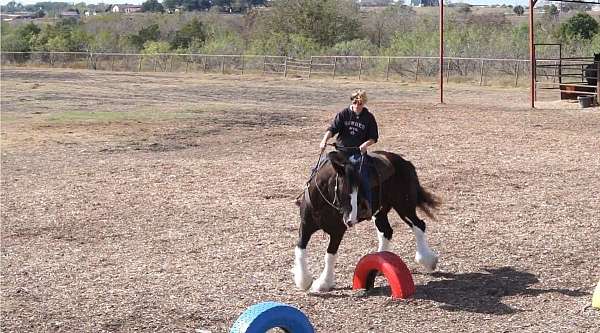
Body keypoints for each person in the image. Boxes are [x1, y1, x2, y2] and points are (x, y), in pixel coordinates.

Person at [319, 89, 379, 216]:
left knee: (363, 173)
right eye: (355, 102)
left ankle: (367, 205)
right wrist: (324, 140)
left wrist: (366, 144)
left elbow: (374, 137)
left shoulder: (369, 117)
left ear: (364, 103)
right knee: (319, 166)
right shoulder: (343, 114)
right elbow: (332, 129)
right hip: (340, 151)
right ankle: (308, 195)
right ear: (352, 101)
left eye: (361, 103)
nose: (358, 105)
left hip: (356, 153)